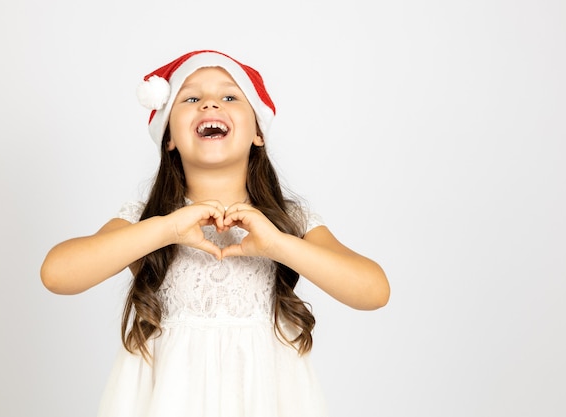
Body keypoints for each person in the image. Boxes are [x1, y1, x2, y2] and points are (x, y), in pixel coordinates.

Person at [40, 49, 390, 417]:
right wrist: (166, 228)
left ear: (258, 131)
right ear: (169, 135)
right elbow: (57, 273)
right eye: (191, 98)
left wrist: (277, 244)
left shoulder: (289, 221)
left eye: (229, 96)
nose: (209, 104)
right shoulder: (148, 221)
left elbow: (374, 290)